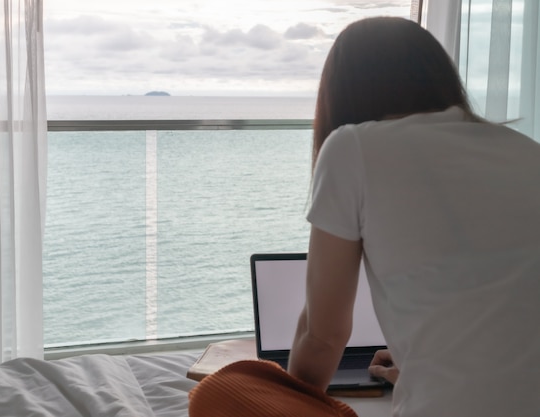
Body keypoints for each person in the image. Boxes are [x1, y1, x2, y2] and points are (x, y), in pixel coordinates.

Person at [189, 16, 540, 417]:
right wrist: (416, 368)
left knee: (223, 390)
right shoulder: (526, 150)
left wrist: (294, 403)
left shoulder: (352, 146)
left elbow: (324, 335)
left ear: (342, 91)